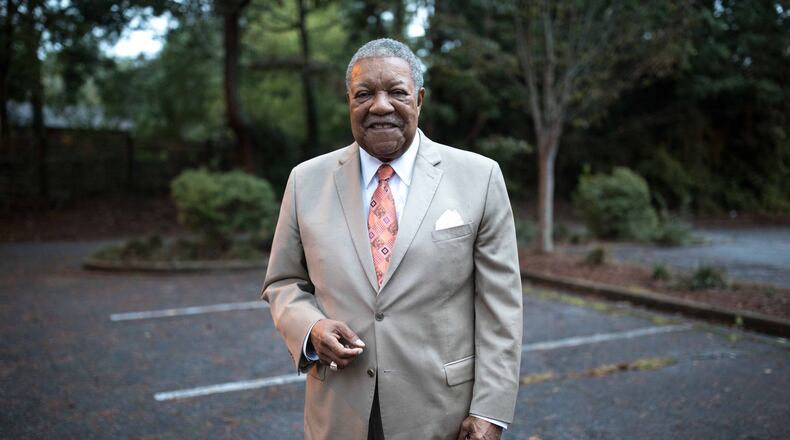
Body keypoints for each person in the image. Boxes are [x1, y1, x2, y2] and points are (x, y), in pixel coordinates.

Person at [261, 38, 522, 440]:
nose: (380, 106)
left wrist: (491, 409)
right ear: (349, 101)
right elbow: (282, 283)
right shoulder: (305, 181)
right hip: (339, 412)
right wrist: (310, 328)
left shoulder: (479, 177)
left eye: (396, 92)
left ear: (418, 99)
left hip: (443, 416)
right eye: (364, 94)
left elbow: (500, 308)